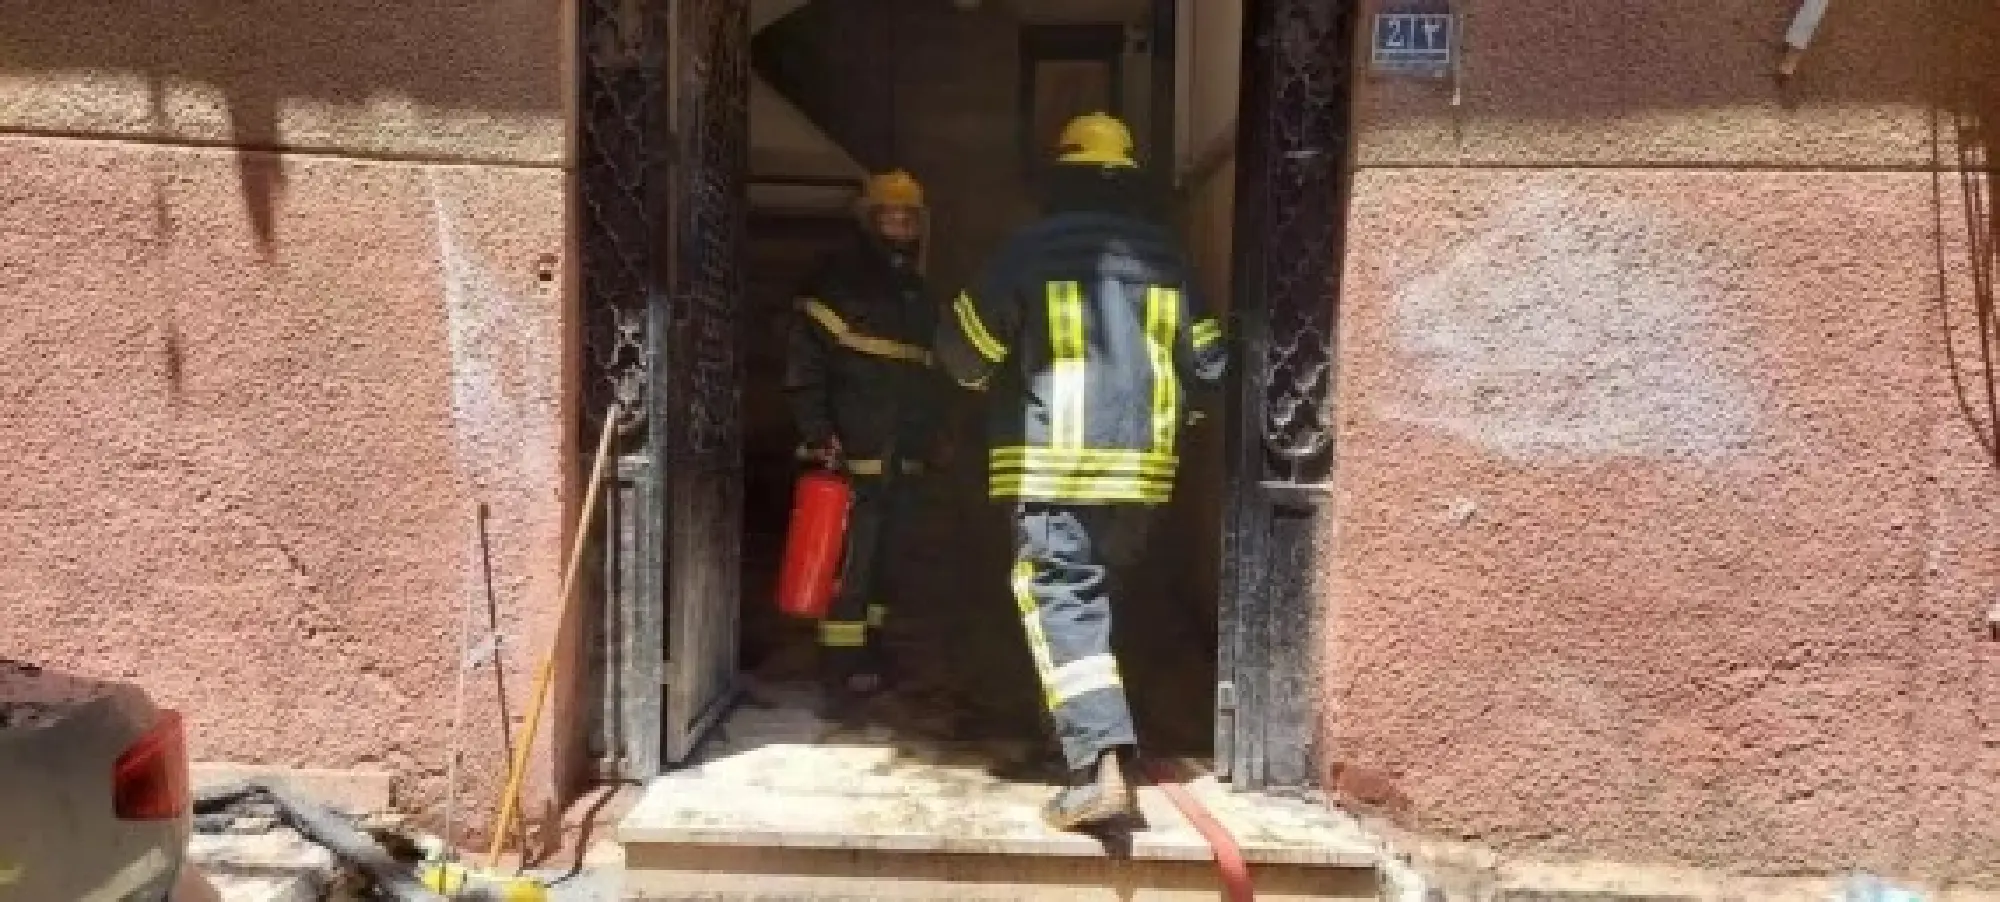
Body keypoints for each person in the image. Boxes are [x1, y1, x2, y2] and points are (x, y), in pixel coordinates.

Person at [933, 113, 1227, 830]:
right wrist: (1173, 427)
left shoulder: (1028, 251)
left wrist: (990, 387)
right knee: (1091, 607)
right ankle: (1080, 743)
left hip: (1052, 464)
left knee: (1061, 601)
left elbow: (963, 352)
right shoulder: (1170, 259)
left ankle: (1097, 766)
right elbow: (1212, 367)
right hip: (1142, 478)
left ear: (1057, 179)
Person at [783, 169, 949, 714]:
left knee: (884, 569)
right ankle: (839, 672)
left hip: (902, 457)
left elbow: (929, 377)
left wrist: (933, 441)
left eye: (908, 217)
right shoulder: (838, 280)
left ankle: (870, 658)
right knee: (849, 569)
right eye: (890, 215)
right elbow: (806, 365)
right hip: (852, 450)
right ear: (869, 219)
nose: (900, 225)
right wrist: (816, 431)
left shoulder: (919, 295)